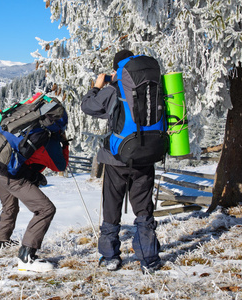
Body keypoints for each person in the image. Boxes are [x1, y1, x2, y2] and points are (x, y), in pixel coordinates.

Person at [81, 50, 162, 273]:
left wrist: (97, 86)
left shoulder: (113, 90)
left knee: (111, 207)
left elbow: (88, 106)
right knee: (144, 210)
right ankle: (149, 259)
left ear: (118, 69)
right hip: (147, 155)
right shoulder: (153, 86)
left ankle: (110, 257)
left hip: (117, 159)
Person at [0, 123, 69, 273]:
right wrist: (64, 144)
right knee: (46, 209)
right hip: (13, 176)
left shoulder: (26, 125)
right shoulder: (47, 140)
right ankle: (26, 257)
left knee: (9, 206)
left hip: (1, 167)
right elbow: (60, 166)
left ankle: (2, 240)